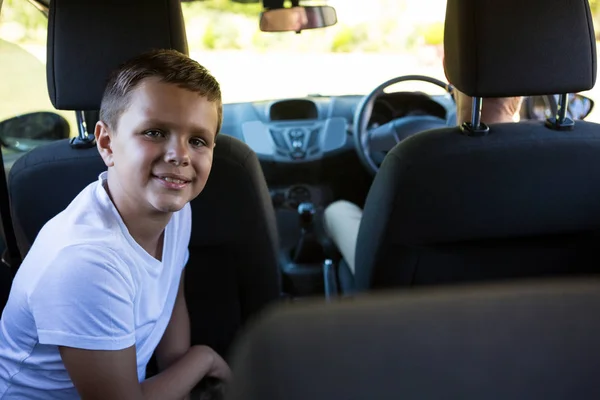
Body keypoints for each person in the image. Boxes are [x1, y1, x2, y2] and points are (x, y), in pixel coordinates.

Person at [0, 49, 231, 399]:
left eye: (197, 140)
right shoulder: (85, 261)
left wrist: (181, 371)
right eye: (154, 132)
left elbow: (171, 296)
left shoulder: (177, 210)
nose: (180, 155)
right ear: (107, 143)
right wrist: (203, 359)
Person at [323, 89, 523, 276]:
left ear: (448, 68)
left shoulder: (415, 157)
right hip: (520, 292)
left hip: (413, 294)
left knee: (337, 210)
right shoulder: (547, 152)